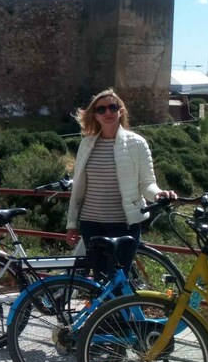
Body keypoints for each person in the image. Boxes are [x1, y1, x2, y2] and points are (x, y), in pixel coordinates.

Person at [65, 89, 176, 275]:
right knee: (99, 281)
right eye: (101, 109)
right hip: (90, 223)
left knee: (118, 278)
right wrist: (72, 224)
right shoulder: (86, 144)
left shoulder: (137, 143)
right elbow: (78, 188)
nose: (108, 112)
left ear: (121, 111)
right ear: (95, 115)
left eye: (112, 107)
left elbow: (146, 183)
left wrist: (158, 194)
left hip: (124, 224)